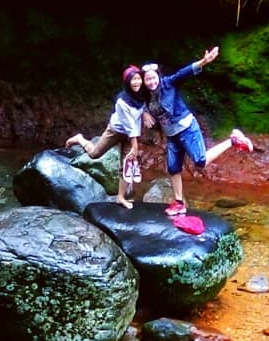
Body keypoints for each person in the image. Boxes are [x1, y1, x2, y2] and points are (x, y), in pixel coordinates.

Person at [141, 46, 254, 216]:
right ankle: (179, 203)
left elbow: (184, 73)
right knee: (173, 168)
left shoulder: (168, 83)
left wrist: (204, 61)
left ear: (158, 76)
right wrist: (144, 113)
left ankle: (233, 140)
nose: (151, 82)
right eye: (147, 80)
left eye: (153, 78)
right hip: (172, 135)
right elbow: (130, 98)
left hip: (186, 128)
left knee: (200, 161)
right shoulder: (145, 95)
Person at [65, 65, 147, 208]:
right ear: (127, 82)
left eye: (139, 78)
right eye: (133, 79)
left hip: (130, 135)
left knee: (126, 165)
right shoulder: (122, 101)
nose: (137, 82)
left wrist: (145, 113)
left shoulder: (141, 95)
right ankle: (80, 139)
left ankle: (120, 198)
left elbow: (142, 108)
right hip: (115, 131)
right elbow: (129, 124)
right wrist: (135, 145)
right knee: (95, 154)